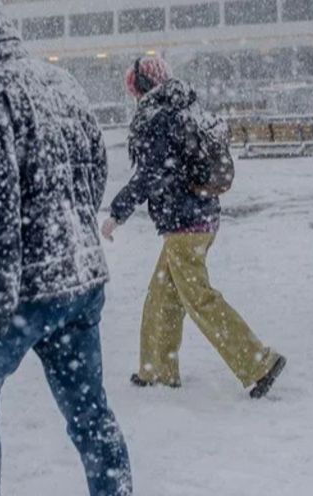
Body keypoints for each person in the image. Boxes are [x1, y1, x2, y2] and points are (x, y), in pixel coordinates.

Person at [0, 0, 132, 496]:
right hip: (80, 279)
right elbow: (96, 170)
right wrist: (68, 229)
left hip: (19, 289)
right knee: (90, 412)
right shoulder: (61, 82)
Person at [101, 55, 286, 399]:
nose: (135, 98)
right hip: (200, 216)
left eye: (134, 90)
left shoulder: (159, 117)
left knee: (199, 299)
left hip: (185, 223)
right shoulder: (185, 108)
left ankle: (259, 363)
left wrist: (117, 212)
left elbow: (151, 173)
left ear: (142, 88)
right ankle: (156, 369)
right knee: (162, 295)